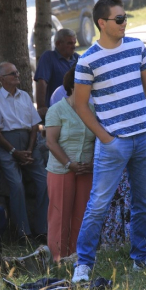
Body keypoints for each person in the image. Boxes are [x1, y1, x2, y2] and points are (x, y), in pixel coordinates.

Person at [72, 0, 146, 283]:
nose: (125, 23)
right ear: (102, 23)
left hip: (144, 137)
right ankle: (83, 264)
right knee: (98, 204)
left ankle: (142, 257)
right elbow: (79, 104)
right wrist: (106, 138)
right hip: (114, 142)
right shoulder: (87, 60)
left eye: (125, 18)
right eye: (119, 19)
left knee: (144, 200)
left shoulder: (137, 47)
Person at [0, 62, 48, 242]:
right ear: (2, 79)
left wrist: (29, 150)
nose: (18, 75)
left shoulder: (25, 97)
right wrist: (14, 152)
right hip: (7, 145)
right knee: (16, 185)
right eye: (13, 73)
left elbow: (34, 126)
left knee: (44, 181)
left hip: (29, 142)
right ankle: (23, 232)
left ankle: (42, 229)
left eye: (17, 71)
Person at [45, 64, 94, 263]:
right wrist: (68, 164)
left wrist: (91, 164)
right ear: (74, 85)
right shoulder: (57, 110)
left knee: (82, 215)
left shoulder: (92, 109)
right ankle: (58, 258)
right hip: (61, 169)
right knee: (60, 216)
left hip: (86, 170)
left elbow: (99, 139)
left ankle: (77, 257)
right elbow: (51, 142)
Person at [34, 29, 80, 119]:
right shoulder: (49, 57)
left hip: (78, 110)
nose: (73, 46)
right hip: (56, 110)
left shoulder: (78, 58)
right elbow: (42, 82)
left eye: (74, 43)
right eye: (70, 43)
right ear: (58, 44)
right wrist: (41, 107)